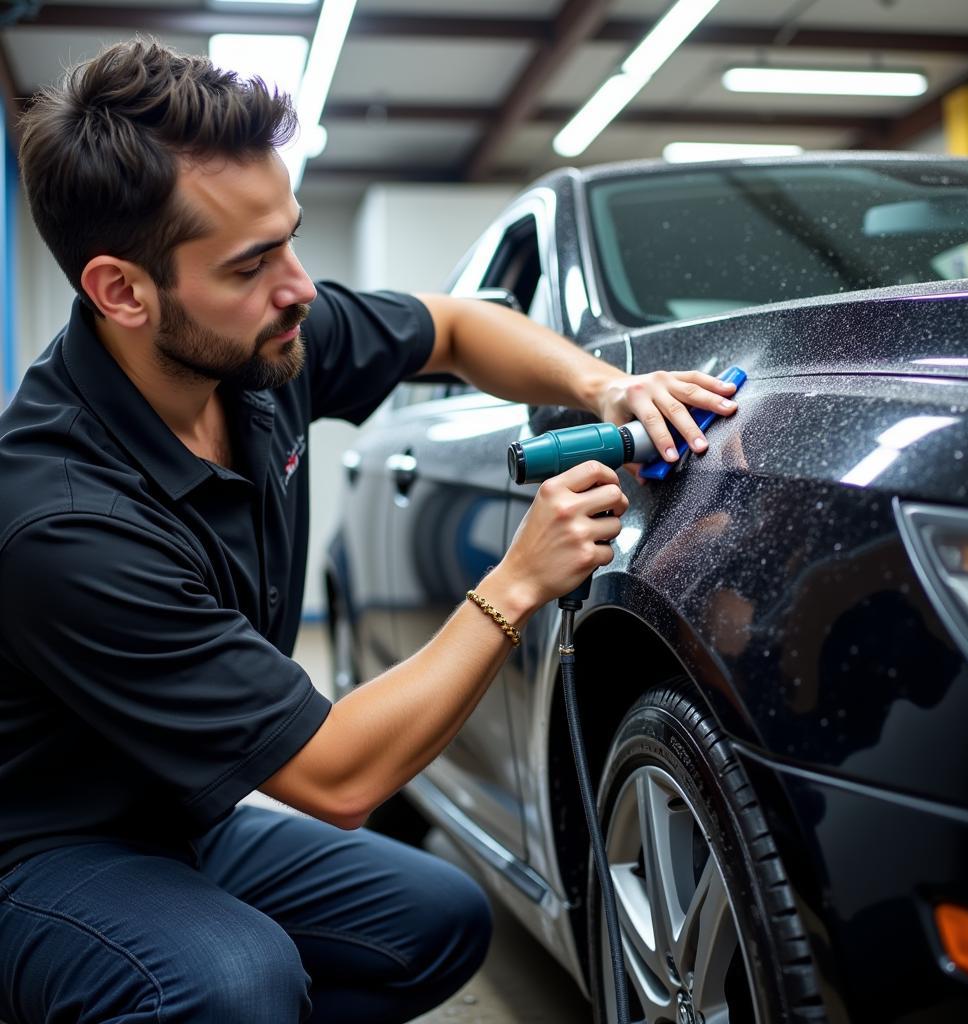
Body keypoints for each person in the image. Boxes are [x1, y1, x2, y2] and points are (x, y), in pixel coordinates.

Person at [0, 39, 739, 1024]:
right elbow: (340, 775)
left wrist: (609, 384)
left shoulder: (260, 345)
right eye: (252, 263)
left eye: (291, 239)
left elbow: (455, 327)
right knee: (233, 982)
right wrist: (516, 581)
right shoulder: (62, 521)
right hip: (40, 849)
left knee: (435, 919)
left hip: (179, 816)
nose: (298, 285)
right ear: (123, 292)